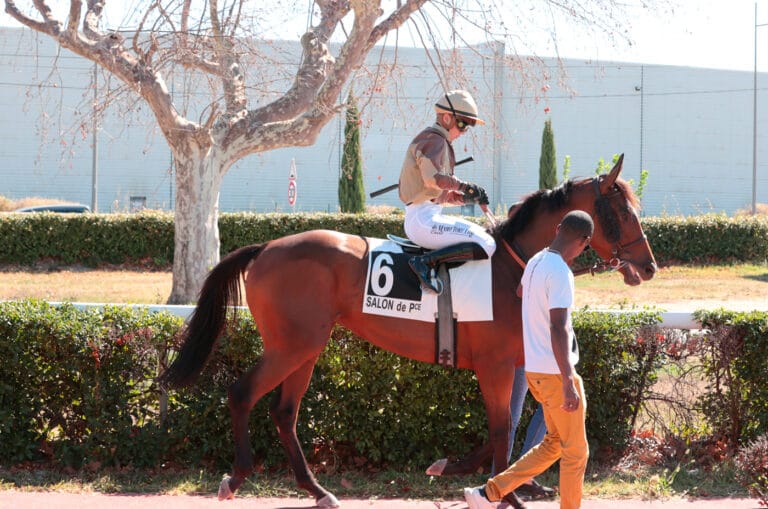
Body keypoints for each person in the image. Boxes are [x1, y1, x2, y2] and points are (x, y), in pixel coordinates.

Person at [464, 210, 594, 509]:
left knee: (552, 445)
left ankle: (488, 493)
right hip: (555, 373)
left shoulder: (536, 261)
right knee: (576, 452)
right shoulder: (560, 271)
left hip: (535, 371)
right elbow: (558, 326)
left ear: (559, 228)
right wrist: (567, 381)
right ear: (584, 242)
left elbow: (522, 291)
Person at [398, 89, 495, 293]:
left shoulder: (436, 140)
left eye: (467, 128)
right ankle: (424, 263)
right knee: (487, 244)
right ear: (446, 117)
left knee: (485, 238)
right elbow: (433, 180)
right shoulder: (435, 140)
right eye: (462, 124)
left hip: (425, 217)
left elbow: (441, 195)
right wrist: (465, 186)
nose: (463, 131)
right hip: (422, 222)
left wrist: (467, 197)